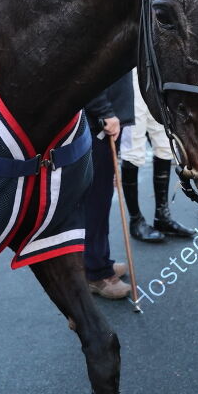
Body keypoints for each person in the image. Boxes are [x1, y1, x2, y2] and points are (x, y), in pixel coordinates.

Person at [119, 75, 194, 242]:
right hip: (130, 79)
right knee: (133, 151)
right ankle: (136, 220)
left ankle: (162, 216)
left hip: (153, 79)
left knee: (164, 146)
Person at [83, 74, 133, 299]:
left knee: (101, 198)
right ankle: (95, 272)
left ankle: (100, 260)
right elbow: (89, 72)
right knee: (96, 199)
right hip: (100, 122)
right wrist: (104, 112)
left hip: (105, 120)